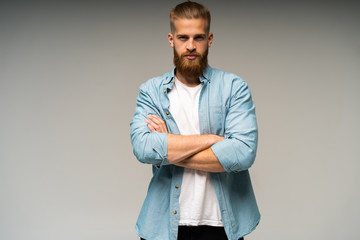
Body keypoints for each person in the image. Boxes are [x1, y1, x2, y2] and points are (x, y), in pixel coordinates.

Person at [130, 1, 260, 239]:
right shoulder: (151, 91)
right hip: (163, 226)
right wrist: (211, 140)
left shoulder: (233, 88)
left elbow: (242, 153)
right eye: (183, 38)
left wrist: (170, 146)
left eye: (198, 37)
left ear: (209, 39)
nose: (190, 46)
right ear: (171, 39)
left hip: (223, 225)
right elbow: (143, 148)